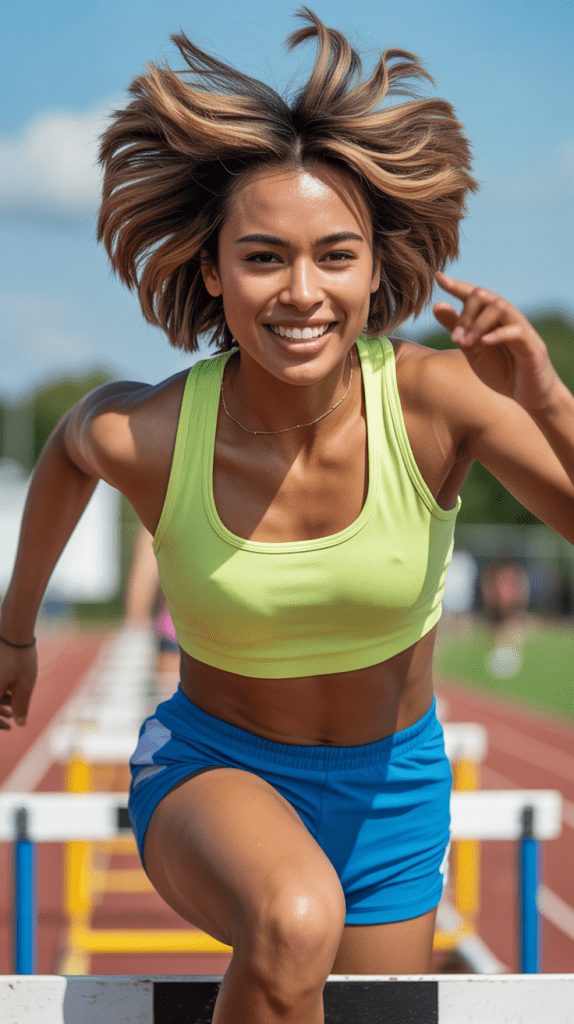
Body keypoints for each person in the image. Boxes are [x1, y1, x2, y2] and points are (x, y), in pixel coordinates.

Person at [1, 9, 573, 1021]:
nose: (302, 292)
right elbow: (68, 448)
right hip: (214, 770)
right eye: (263, 258)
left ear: (374, 269)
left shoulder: (437, 403)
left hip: (393, 794)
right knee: (292, 916)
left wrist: (546, 397)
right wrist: (13, 633)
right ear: (213, 273)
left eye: (334, 256)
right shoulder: (160, 431)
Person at [124, 523, 181, 697]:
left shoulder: (164, 514)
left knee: (178, 719)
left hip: (179, 638)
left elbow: (138, 601)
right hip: (244, 642)